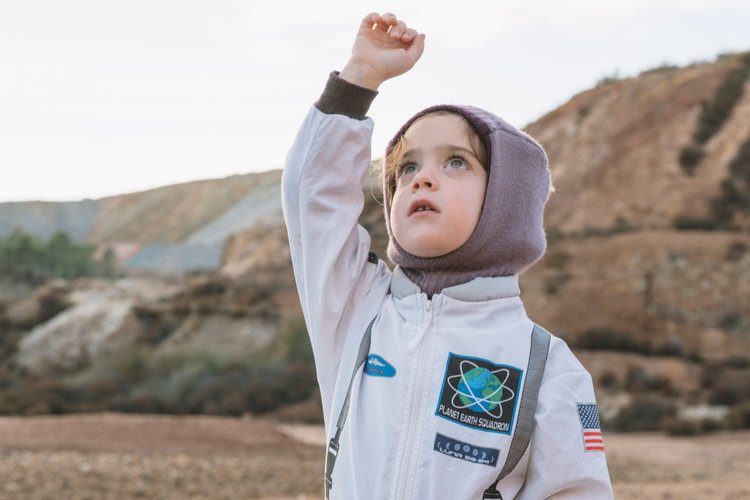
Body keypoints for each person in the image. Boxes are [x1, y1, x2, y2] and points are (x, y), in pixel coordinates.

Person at [281, 12, 613, 499]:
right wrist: (361, 76)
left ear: (507, 200)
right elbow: (313, 200)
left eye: (456, 161)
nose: (421, 178)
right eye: (407, 166)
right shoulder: (356, 308)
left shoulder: (548, 366)